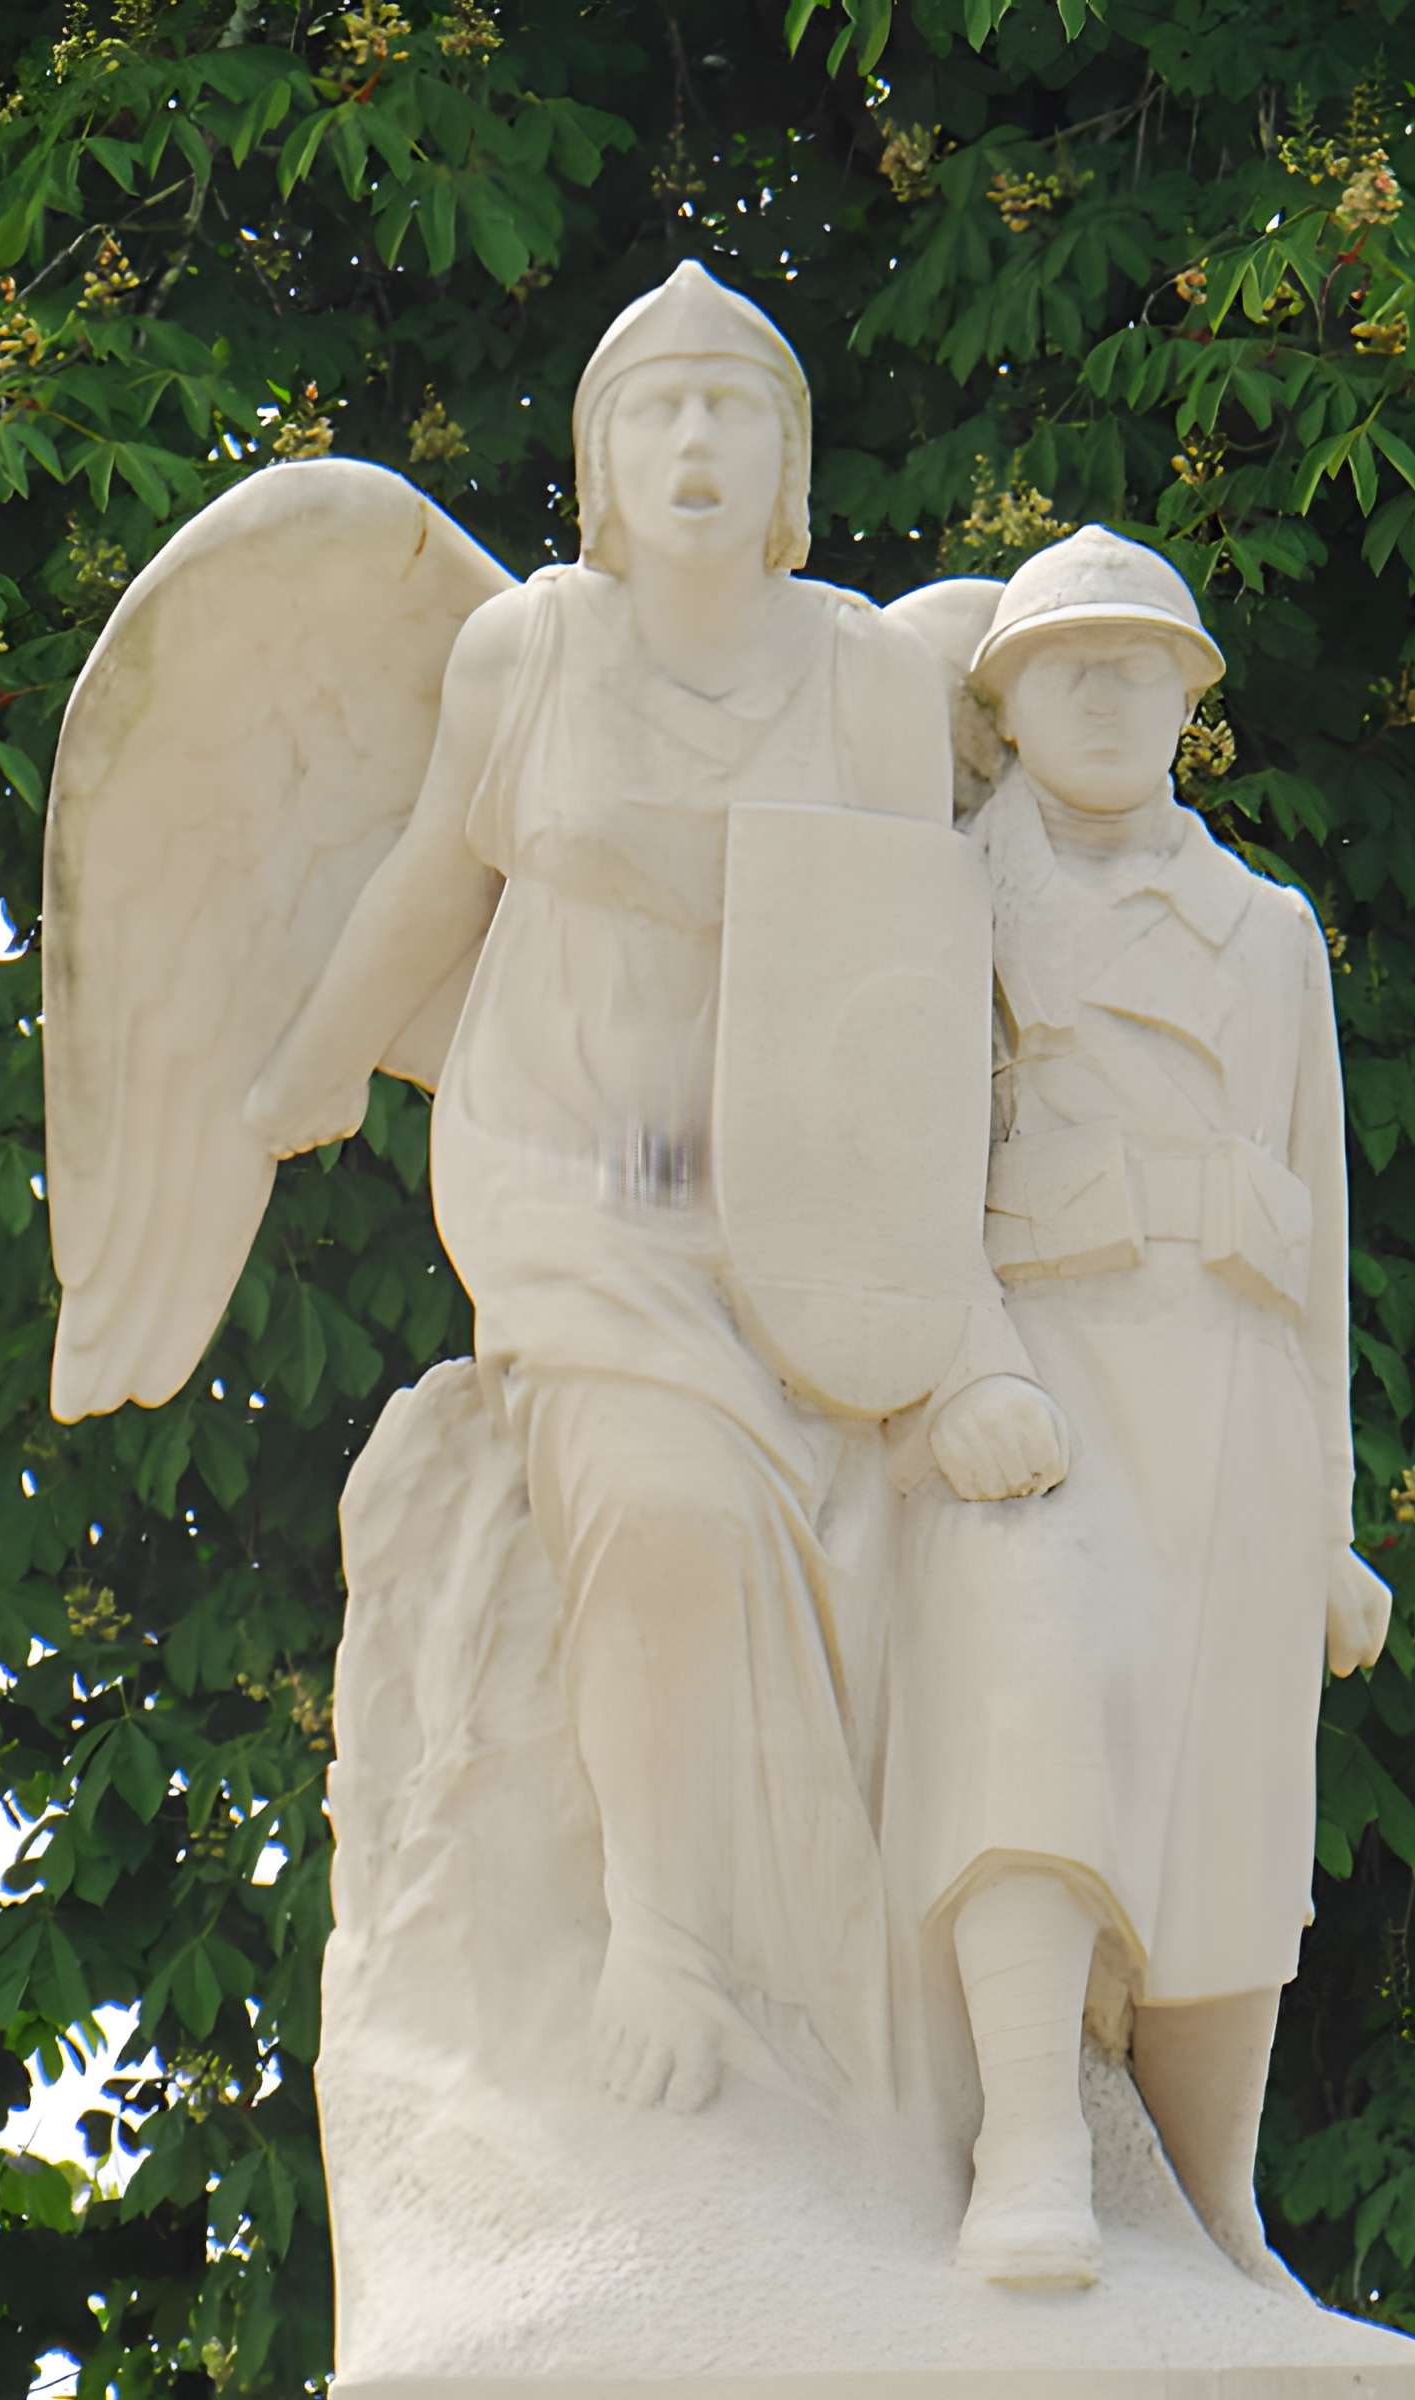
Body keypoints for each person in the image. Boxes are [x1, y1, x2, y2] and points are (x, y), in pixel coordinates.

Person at [243, 263, 1063, 2115]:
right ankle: (667, 1941)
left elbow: (918, 991)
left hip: (798, 1201)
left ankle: (905, 2047)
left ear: (789, 464)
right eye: (655, 409)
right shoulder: (527, 651)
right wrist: (306, 1059)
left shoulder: (866, 676)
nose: (696, 440)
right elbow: (423, 893)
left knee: (901, 1547)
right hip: (570, 1178)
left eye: (735, 406)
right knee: (669, 1505)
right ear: (602, 464)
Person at [888, 527, 1391, 2285]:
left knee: (1237, 1804)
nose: (1104, 694)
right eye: (1063, 665)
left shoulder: (1270, 936)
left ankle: (1213, 2197)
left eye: (1140, 665)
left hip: (1235, 1402)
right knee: (1037, 1714)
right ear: (1003, 702)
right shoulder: (946, 893)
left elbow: (1315, 1243)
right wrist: (963, 1366)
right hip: (1042, 1370)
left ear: (1191, 698)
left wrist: (1329, 1529)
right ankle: (1027, 2140)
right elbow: (891, 1167)